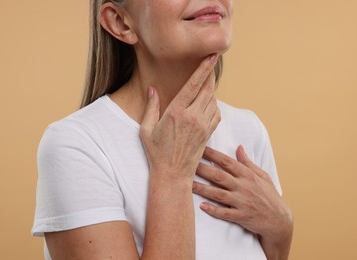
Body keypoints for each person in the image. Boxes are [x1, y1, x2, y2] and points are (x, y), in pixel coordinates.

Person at [32, 0, 293, 259]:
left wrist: (282, 230)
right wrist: (172, 176)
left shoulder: (248, 130)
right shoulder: (76, 145)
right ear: (120, 22)